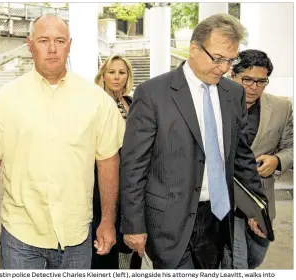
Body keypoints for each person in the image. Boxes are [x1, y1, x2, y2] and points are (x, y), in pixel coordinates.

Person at [0, 14, 123, 269]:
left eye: (59, 40)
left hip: (77, 237)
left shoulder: (97, 101)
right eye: (43, 40)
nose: (52, 48)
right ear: (30, 45)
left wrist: (107, 220)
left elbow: (108, 162)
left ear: (69, 45)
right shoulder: (5, 100)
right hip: (21, 235)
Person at [119, 14, 268, 269]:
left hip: (218, 220)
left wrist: (257, 209)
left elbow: (241, 156)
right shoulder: (153, 94)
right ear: (194, 48)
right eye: (218, 58)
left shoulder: (233, 94)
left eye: (230, 61)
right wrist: (133, 224)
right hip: (168, 222)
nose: (224, 68)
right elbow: (133, 166)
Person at [221, 49, 293, 269]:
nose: (254, 87)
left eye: (261, 82)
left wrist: (277, 160)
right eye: (247, 80)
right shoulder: (214, 104)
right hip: (224, 200)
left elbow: (291, 146)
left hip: (259, 199)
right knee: (237, 263)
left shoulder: (282, 107)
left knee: (255, 258)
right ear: (232, 75)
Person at [92, 54, 142, 269]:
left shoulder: (132, 102)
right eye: (111, 72)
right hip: (102, 177)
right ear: (103, 74)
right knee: (106, 230)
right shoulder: (95, 103)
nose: (116, 77)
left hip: (132, 180)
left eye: (122, 72)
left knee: (130, 237)